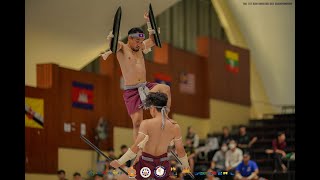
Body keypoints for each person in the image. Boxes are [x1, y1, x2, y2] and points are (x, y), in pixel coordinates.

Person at [101, 12, 171, 141]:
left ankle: (165, 119)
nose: (139, 43)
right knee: (137, 122)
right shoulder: (122, 47)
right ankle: (138, 151)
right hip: (132, 91)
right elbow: (113, 45)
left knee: (165, 88)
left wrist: (150, 22)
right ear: (130, 39)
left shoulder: (140, 47)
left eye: (140, 41)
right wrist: (113, 34)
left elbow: (153, 40)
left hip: (145, 85)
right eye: (137, 41)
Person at [110, 92, 190, 180]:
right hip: (162, 165)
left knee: (121, 178)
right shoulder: (175, 126)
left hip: (145, 164)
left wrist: (119, 162)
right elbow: (180, 150)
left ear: (153, 108)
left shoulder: (146, 124)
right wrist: (186, 166)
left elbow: (136, 147)